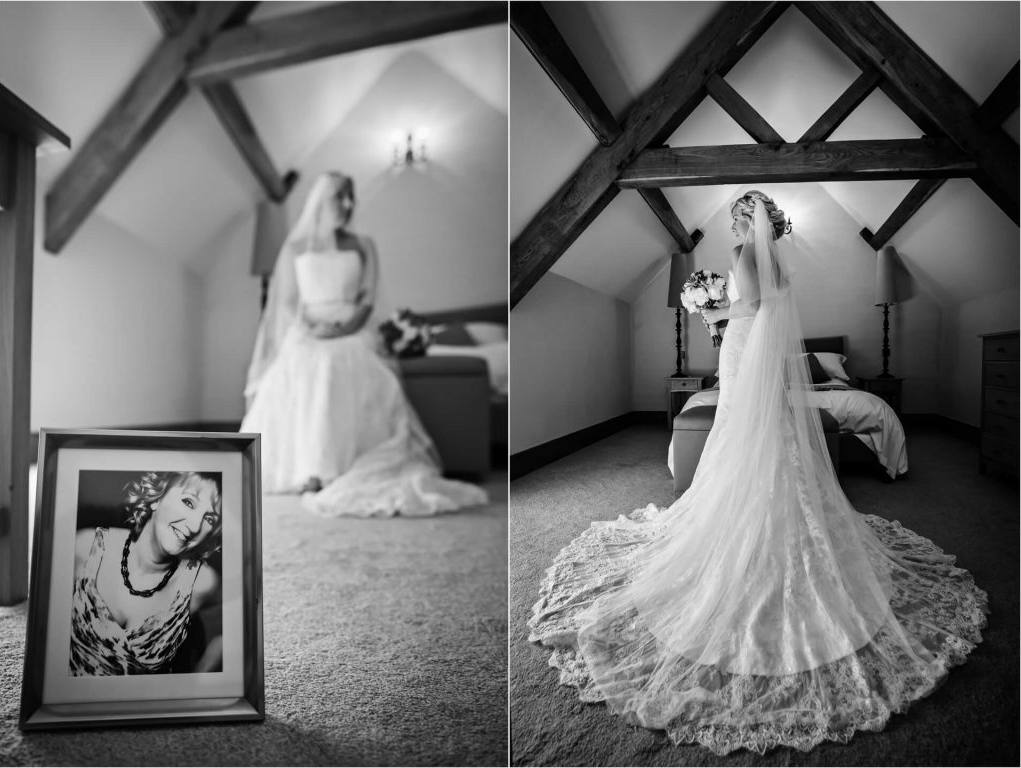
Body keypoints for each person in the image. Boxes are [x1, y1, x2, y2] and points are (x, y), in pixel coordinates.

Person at [528, 191, 987, 754]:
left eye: (737, 217)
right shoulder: (776, 260)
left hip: (744, 347)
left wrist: (709, 310)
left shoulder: (747, 254)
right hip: (755, 352)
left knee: (740, 430)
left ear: (748, 221)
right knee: (764, 433)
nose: (734, 224)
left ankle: (743, 521)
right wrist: (718, 306)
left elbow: (745, 311)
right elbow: (769, 306)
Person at [241, 171, 488, 517]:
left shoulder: (362, 244)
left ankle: (334, 465)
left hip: (352, 328)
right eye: (339, 196)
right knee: (303, 362)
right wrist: (311, 328)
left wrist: (346, 328)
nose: (347, 204)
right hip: (308, 330)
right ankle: (308, 467)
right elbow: (285, 301)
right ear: (321, 201)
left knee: (341, 359)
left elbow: (367, 299)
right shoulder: (295, 248)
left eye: (350, 196)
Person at [71, 471, 223, 676]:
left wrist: (198, 680)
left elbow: (242, 621)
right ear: (156, 499)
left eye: (210, 519)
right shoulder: (85, 548)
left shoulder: (201, 582)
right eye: (188, 502)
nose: (195, 526)